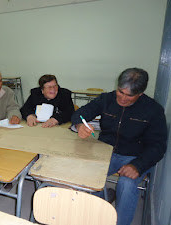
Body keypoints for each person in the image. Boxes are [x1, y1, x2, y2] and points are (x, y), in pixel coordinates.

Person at [71, 68, 167, 225]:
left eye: (129, 96)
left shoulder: (153, 110)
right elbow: (80, 113)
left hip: (134, 156)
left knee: (127, 184)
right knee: (81, 172)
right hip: (105, 151)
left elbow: (158, 146)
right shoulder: (106, 99)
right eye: (120, 92)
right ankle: (101, 198)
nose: (122, 98)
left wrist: (138, 165)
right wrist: (79, 125)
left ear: (140, 93)